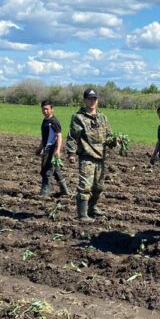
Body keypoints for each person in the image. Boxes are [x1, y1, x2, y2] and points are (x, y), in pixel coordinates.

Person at [66, 88, 114, 222]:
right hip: (87, 156)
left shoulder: (102, 117)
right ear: (85, 100)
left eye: (94, 99)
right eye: (89, 99)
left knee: (99, 187)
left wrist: (115, 141)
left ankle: (92, 208)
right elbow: (72, 137)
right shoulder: (78, 118)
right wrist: (71, 153)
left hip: (101, 157)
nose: (92, 101)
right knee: (85, 186)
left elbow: (109, 136)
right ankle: (82, 214)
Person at [36, 100, 69, 198]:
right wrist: (40, 148)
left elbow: (59, 136)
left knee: (47, 171)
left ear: (52, 109)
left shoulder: (54, 122)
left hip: (51, 150)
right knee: (56, 170)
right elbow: (45, 137)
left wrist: (58, 150)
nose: (45, 111)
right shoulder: (45, 121)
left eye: (47, 109)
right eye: (43, 109)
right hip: (46, 149)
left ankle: (44, 193)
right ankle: (65, 190)